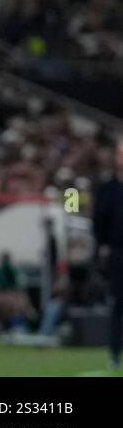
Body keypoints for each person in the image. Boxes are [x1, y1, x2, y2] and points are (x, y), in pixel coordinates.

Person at [93, 139, 123, 369]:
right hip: (117, 253)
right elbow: (98, 223)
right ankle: (114, 353)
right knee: (118, 305)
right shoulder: (107, 189)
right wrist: (102, 246)